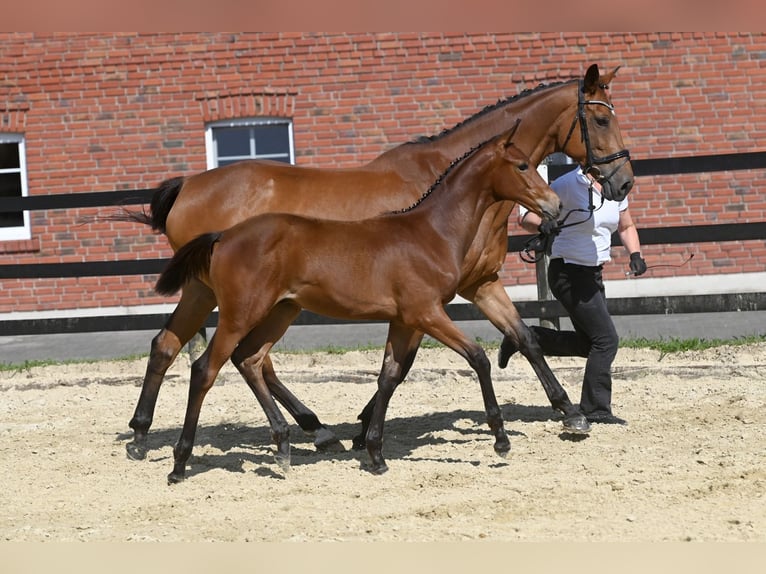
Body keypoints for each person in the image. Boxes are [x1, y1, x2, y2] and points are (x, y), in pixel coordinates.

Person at [506, 165, 646, 425]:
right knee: (606, 341)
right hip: (568, 272)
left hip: (592, 274)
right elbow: (526, 216)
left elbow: (626, 225)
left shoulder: (615, 186)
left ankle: (527, 338)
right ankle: (596, 409)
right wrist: (546, 224)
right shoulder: (568, 184)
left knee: (589, 344)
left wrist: (635, 254)